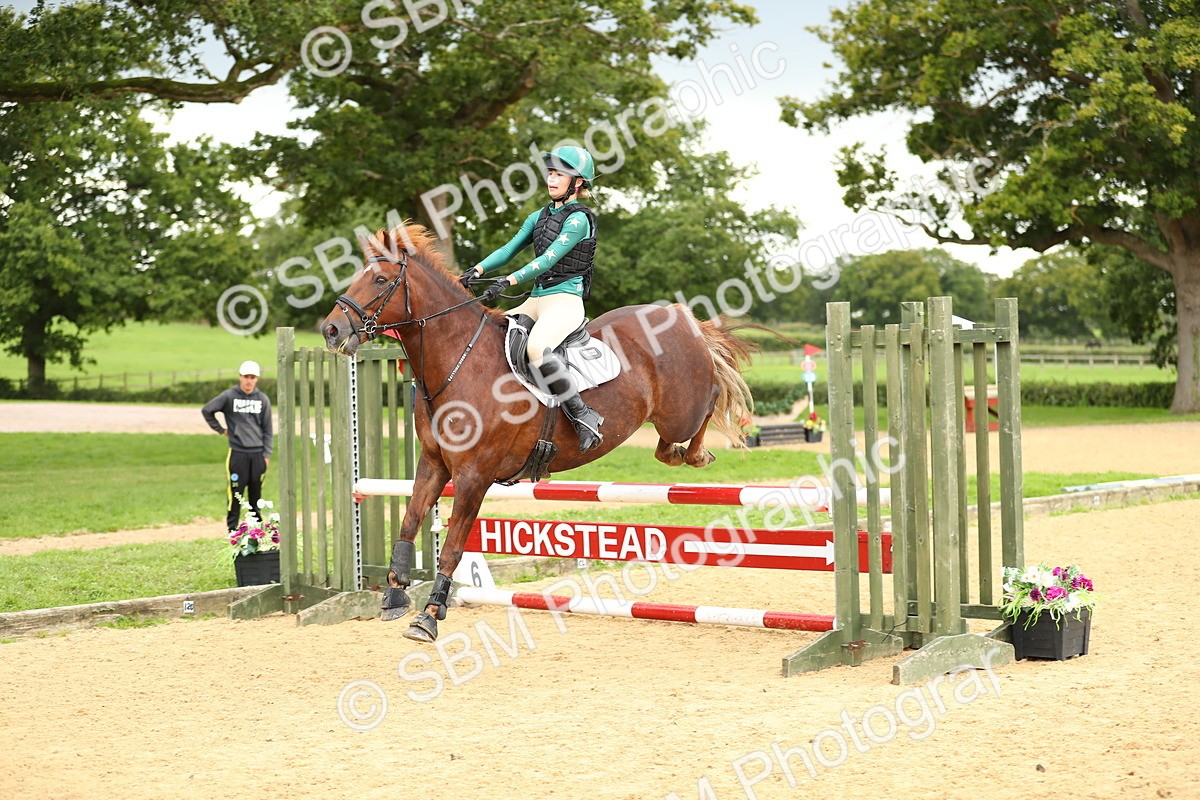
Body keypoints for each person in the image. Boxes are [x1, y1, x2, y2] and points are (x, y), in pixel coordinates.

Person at [462, 145, 604, 452]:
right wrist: (476, 270)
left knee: (538, 347)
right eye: (550, 173)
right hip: (536, 299)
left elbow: (549, 260)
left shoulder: (579, 220)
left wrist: (510, 280)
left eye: (559, 174)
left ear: (577, 183)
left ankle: (583, 415)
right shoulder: (537, 216)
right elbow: (508, 249)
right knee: (490, 334)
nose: (552, 179)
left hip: (565, 300)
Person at [202, 360, 273, 532]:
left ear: (257, 379)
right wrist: (220, 430)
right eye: (245, 377)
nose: (248, 380)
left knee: (256, 494)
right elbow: (207, 410)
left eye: (252, 377)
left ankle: (257, 532)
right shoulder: (229, 396)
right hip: (238, 454)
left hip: (257, 455)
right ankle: (232, 531)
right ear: (240, 377)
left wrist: (266, 454)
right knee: (235, 494)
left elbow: (267, 430)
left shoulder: (263, 399)